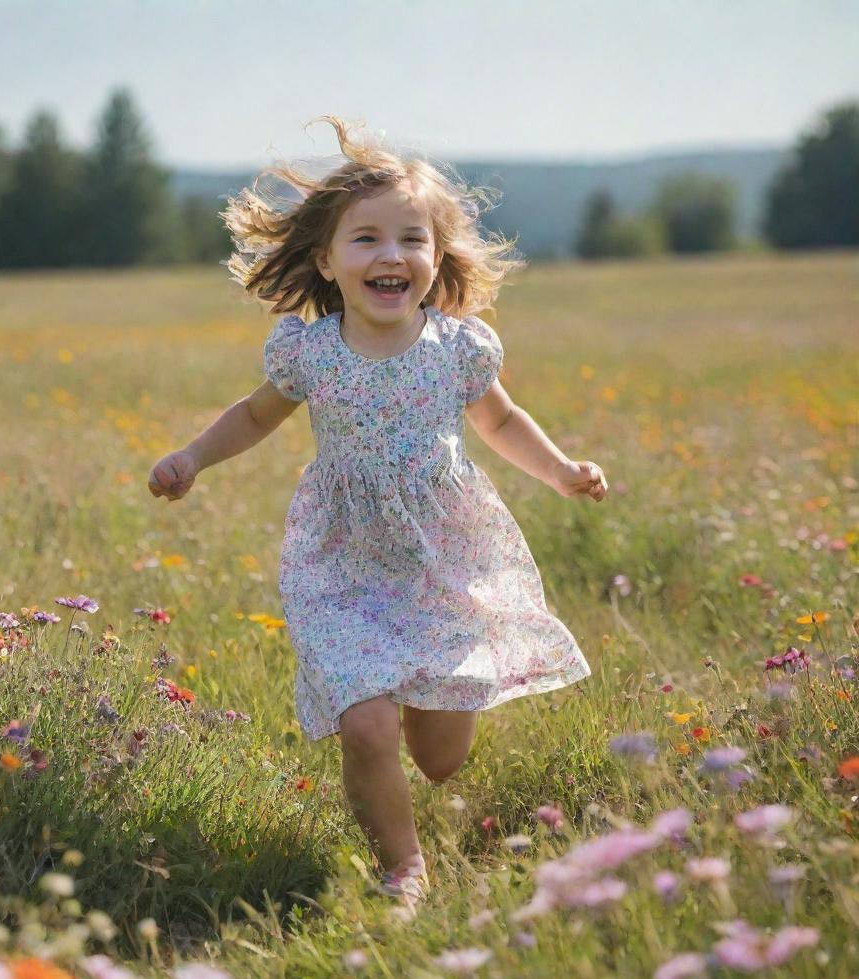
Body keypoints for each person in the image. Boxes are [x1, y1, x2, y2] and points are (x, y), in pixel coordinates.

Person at [148, 116, 608, 908]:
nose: (390, 255)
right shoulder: (310, 353)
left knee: (440, 758)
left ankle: (431, 741)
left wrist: (562, 471)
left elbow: (498, 422)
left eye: (410, 239)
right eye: (366, 240)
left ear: (436, 258)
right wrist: (192, 457)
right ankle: (406, 869)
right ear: (327, 261)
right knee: (365, 725)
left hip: (444, 556)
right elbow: (255, 417)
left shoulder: (459, 349)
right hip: (343, 562)